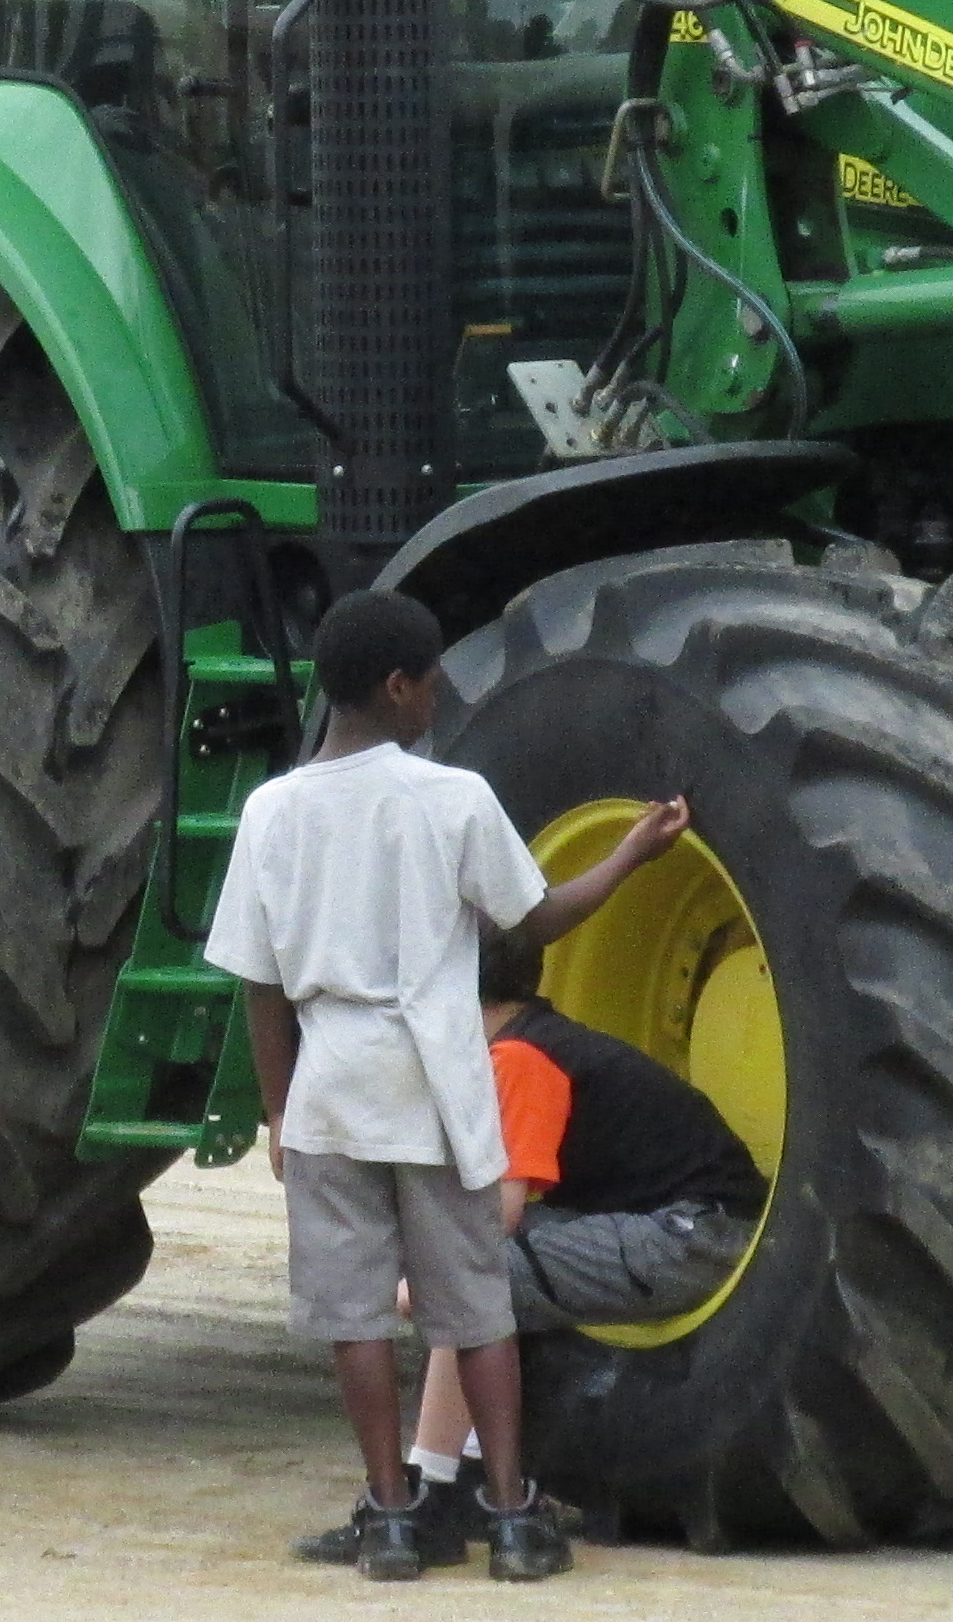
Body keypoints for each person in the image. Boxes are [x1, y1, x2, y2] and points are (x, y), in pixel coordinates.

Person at [206, 588, 684, 1584]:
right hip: (436, 1075)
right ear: (396, 685)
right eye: (430, 680)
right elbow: (536, 922)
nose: (438, 698)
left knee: (355, 1315)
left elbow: (257, 981)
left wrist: (280, 1105)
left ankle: (390, 1517)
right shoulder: (452, 797)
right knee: (473, 1311)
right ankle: (510, 1519)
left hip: (332, 1082)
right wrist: (631, 855)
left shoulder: (272, 809)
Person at [398, 924, 766, 1534]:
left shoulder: (520, 1059)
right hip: (676, 1223)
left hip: (693, 1237)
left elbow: (496, 1218)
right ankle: (461, 1470)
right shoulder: (539, 1041)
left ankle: (436, 1492)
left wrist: (416, 1279)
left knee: (467, 1283)